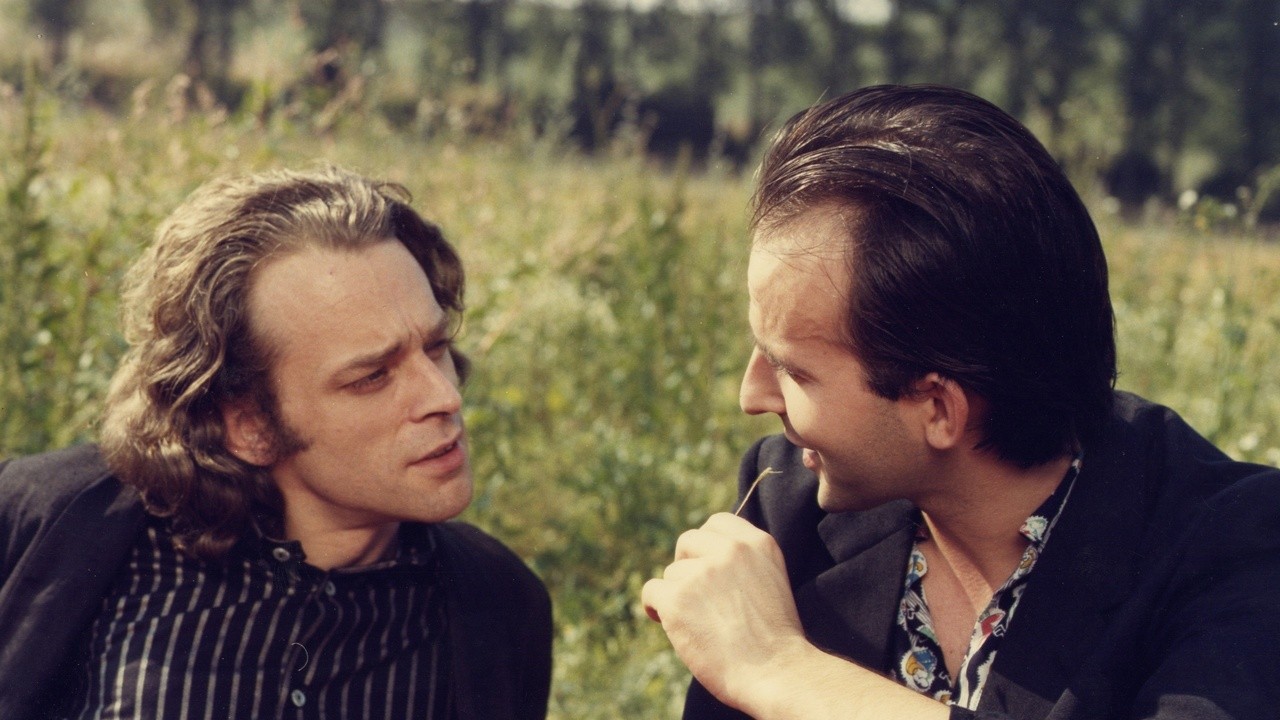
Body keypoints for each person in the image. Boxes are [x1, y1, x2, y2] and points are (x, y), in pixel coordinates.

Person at [641, 85, 1280, 720]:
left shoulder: (1238, 547)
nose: (751, 396)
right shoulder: (791, 503)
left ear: (939, 410)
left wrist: (780, 668)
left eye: (793, 370)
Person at [0, 166, 552, 719]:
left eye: (435, 347)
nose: (444, 396)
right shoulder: (61, 525)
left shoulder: (499, 605)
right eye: (371, 377)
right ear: (250, 427)